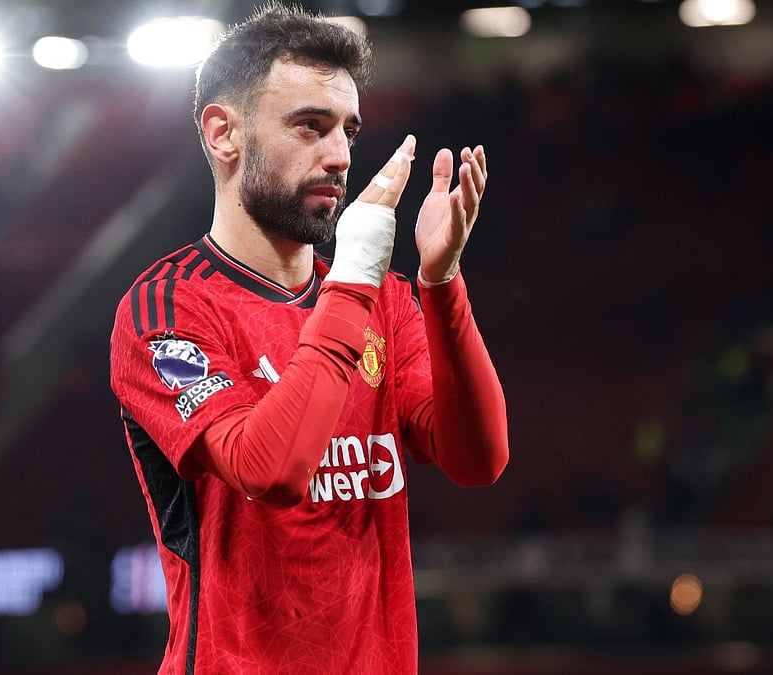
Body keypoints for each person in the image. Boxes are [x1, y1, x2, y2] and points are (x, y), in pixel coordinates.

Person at [109, 4, 508, 673]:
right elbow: (268, 470)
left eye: (349, 130)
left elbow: (479, 459)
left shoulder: (386, 300)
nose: (341, 156)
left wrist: (440, 285)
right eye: (310, 127)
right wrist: (353, 278)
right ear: (224, 134)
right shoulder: (169, 308)